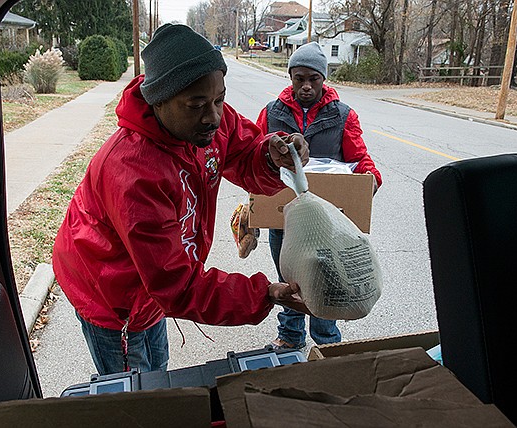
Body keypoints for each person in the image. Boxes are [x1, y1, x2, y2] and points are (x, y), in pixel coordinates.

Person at [52, 24, 310, 375]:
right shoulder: (133, 172)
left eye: (219, 99)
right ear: (158, 100)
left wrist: (270, 155)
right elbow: (176, 286)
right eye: (197, 105)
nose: (214, 116)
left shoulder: (207, 123)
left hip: (150, 290)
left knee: (159, 366)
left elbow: (243, 151)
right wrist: (263, 293)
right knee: (138, 390)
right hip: (115, 295)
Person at [256, 41, 383, 350]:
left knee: (328, 281)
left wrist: (370, 179)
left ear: (324, 79)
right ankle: (290, 335)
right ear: (290, 77)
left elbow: (360, 157)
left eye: (314, 78)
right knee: (289, 280)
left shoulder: (343, 115)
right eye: (299, 78)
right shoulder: (271, 112)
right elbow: (254, 156)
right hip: (284, 217)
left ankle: (327, 342)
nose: (307, 86)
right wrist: (251, 207)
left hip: (327, 223)